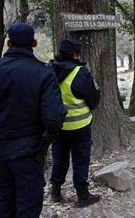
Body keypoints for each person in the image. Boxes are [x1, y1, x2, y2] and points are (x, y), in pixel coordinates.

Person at [0, 22, 67, 218]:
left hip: (0, 145)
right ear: (34, 43)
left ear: (8, 43)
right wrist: (45, 140)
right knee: (28, 203)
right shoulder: (43, 73)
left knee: (7, 199)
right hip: (29, 149)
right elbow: (55, 117)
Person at [49, 39, 101, 208]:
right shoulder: (80, 73)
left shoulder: (50, 70)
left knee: (59, 159)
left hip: (58, 127)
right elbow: (93, 100)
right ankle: (83, 196)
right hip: (80, 127)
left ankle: (55, 192)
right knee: (80, 160)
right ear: (75, 55)